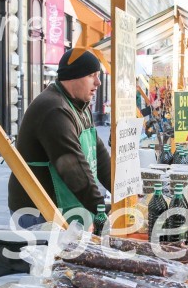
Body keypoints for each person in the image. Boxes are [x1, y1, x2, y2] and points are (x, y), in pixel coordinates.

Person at [7, 48, 111, 228]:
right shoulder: (54, 110)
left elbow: (99, 154)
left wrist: (123, 192)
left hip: (60, 206)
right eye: (91, 75)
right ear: (73, 76)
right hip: (37, 211)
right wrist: (100, 209)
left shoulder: (81, 105)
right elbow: (73, 168)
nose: (98, 82)